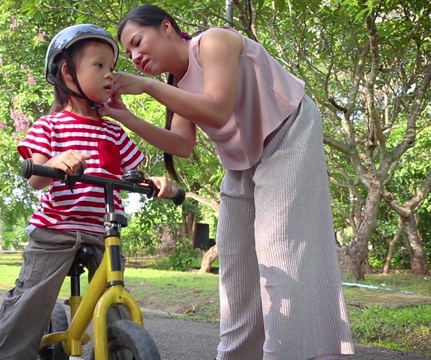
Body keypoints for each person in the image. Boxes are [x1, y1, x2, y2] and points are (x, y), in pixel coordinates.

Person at [100, 4, 355, 360]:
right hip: (242, 160)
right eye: (128, 53)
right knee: (234, 261)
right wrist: (124, 116)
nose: (135, 56)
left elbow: (217, 108)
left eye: (138, 42)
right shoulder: (175, 84)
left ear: (167, 27)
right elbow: (181, 145)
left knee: (278, 249)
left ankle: (287, 353)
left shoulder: (214, 42)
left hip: (287, 132)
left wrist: (145, 86)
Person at [0, 23, 178, 360]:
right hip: (56, 228)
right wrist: (55, 162)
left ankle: (121, 344)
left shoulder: (114, 132)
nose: (109, 75)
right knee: (32, 300)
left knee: (115, 302)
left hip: (103, 232)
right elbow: (36, 178)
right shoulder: (51, 125)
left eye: (112, 68)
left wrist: (158, 183)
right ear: (67, 73)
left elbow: (134, 176)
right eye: (98, 65)